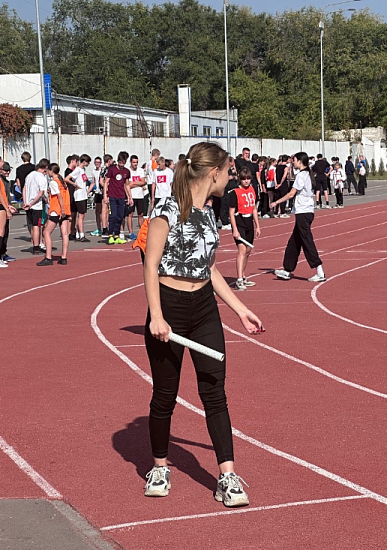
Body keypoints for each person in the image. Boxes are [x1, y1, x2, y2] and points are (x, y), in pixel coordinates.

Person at [142, 141, 262, 505]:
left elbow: (208, 269)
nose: (230, 177)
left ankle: (227, 476)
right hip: (169, 307)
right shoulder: (165, 208)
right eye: (227, 172)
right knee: (165, 396)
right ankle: (160, 466)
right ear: (214, 173)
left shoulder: (210, 214)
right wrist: (157, 316)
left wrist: (240, 309)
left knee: (215, 392)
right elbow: (150, 265)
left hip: (204, 309)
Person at [270, 152, 326, 282]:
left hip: (303, 212)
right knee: (294, 241)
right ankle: (287, 269)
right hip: (305, 211)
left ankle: (319, 270)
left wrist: (276, 202)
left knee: (307, 241)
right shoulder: (306, 174)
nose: (292, 162)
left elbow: (291, 194)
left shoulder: (302, 175)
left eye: (294, 160)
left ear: (300, 161)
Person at [229, 168, 261, 291]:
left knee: (248, 251)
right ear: (240, 179)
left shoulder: (252, 190)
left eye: (248, 179)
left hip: (249, 223)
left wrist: (257, 225)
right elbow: (231, 213)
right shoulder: (235, 193)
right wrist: (235, 229)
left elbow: (253, 208)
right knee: (241, 250)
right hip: (239, 222)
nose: (246, 181)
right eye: (244, 179)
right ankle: (239, 279)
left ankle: (242, 275)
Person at [37, 163, 71, 266]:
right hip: (65, 209)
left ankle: (48, 256)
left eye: (48, 171)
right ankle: (64, 257)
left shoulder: (54, 182)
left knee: (46, 232)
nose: (47, 173)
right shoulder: (63, 182)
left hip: (57, 210)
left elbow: (59, 196)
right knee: (65, 234)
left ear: (51, 171)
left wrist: (62, 210)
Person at [23, 158, 49, 254]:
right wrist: (32, 203)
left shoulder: (29, 175)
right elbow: (41, 193)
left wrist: (26, 202)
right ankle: (36, 246)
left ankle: (36, 244)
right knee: (37, 226)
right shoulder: (41, 178)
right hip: (36, 205)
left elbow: (24, 188)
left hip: (29, 204)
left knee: (33, 226)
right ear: (45, 168)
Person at [104, 151, 132, 245]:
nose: (121, 164)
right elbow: (106, 182)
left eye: (123, 162)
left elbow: (127, 185)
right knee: (113, 216)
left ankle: (117, 235)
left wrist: (130, 197)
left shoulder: (126, 171)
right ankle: (110, 235)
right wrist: (105, 195)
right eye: (120, 162)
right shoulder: (112, 170)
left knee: (120, 217)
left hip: (121, 197)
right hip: (112, 196)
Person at [65, 153, 92, 243]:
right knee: (81, 216)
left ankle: (78, 233)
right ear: (84, 162)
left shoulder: (82, 170)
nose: (88, 164)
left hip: (83, 195)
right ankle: (81, 234)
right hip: (79, 195)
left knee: (81, 215)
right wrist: (74, 184)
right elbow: (67, 179)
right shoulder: (77, 170)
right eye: (87, 162)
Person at [127, 154, 148, 240]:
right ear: (130, 162)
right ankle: (131, 232)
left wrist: (133, 183)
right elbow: (128, 184)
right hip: (131, 196)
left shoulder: (140, 170)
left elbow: (143, 182)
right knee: (130, 214)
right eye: (134, 162)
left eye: (136, 162)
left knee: (141, 214)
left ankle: (142, 233)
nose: (135, 164)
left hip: (140, 196)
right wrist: (137, 183)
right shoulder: (128, 171)